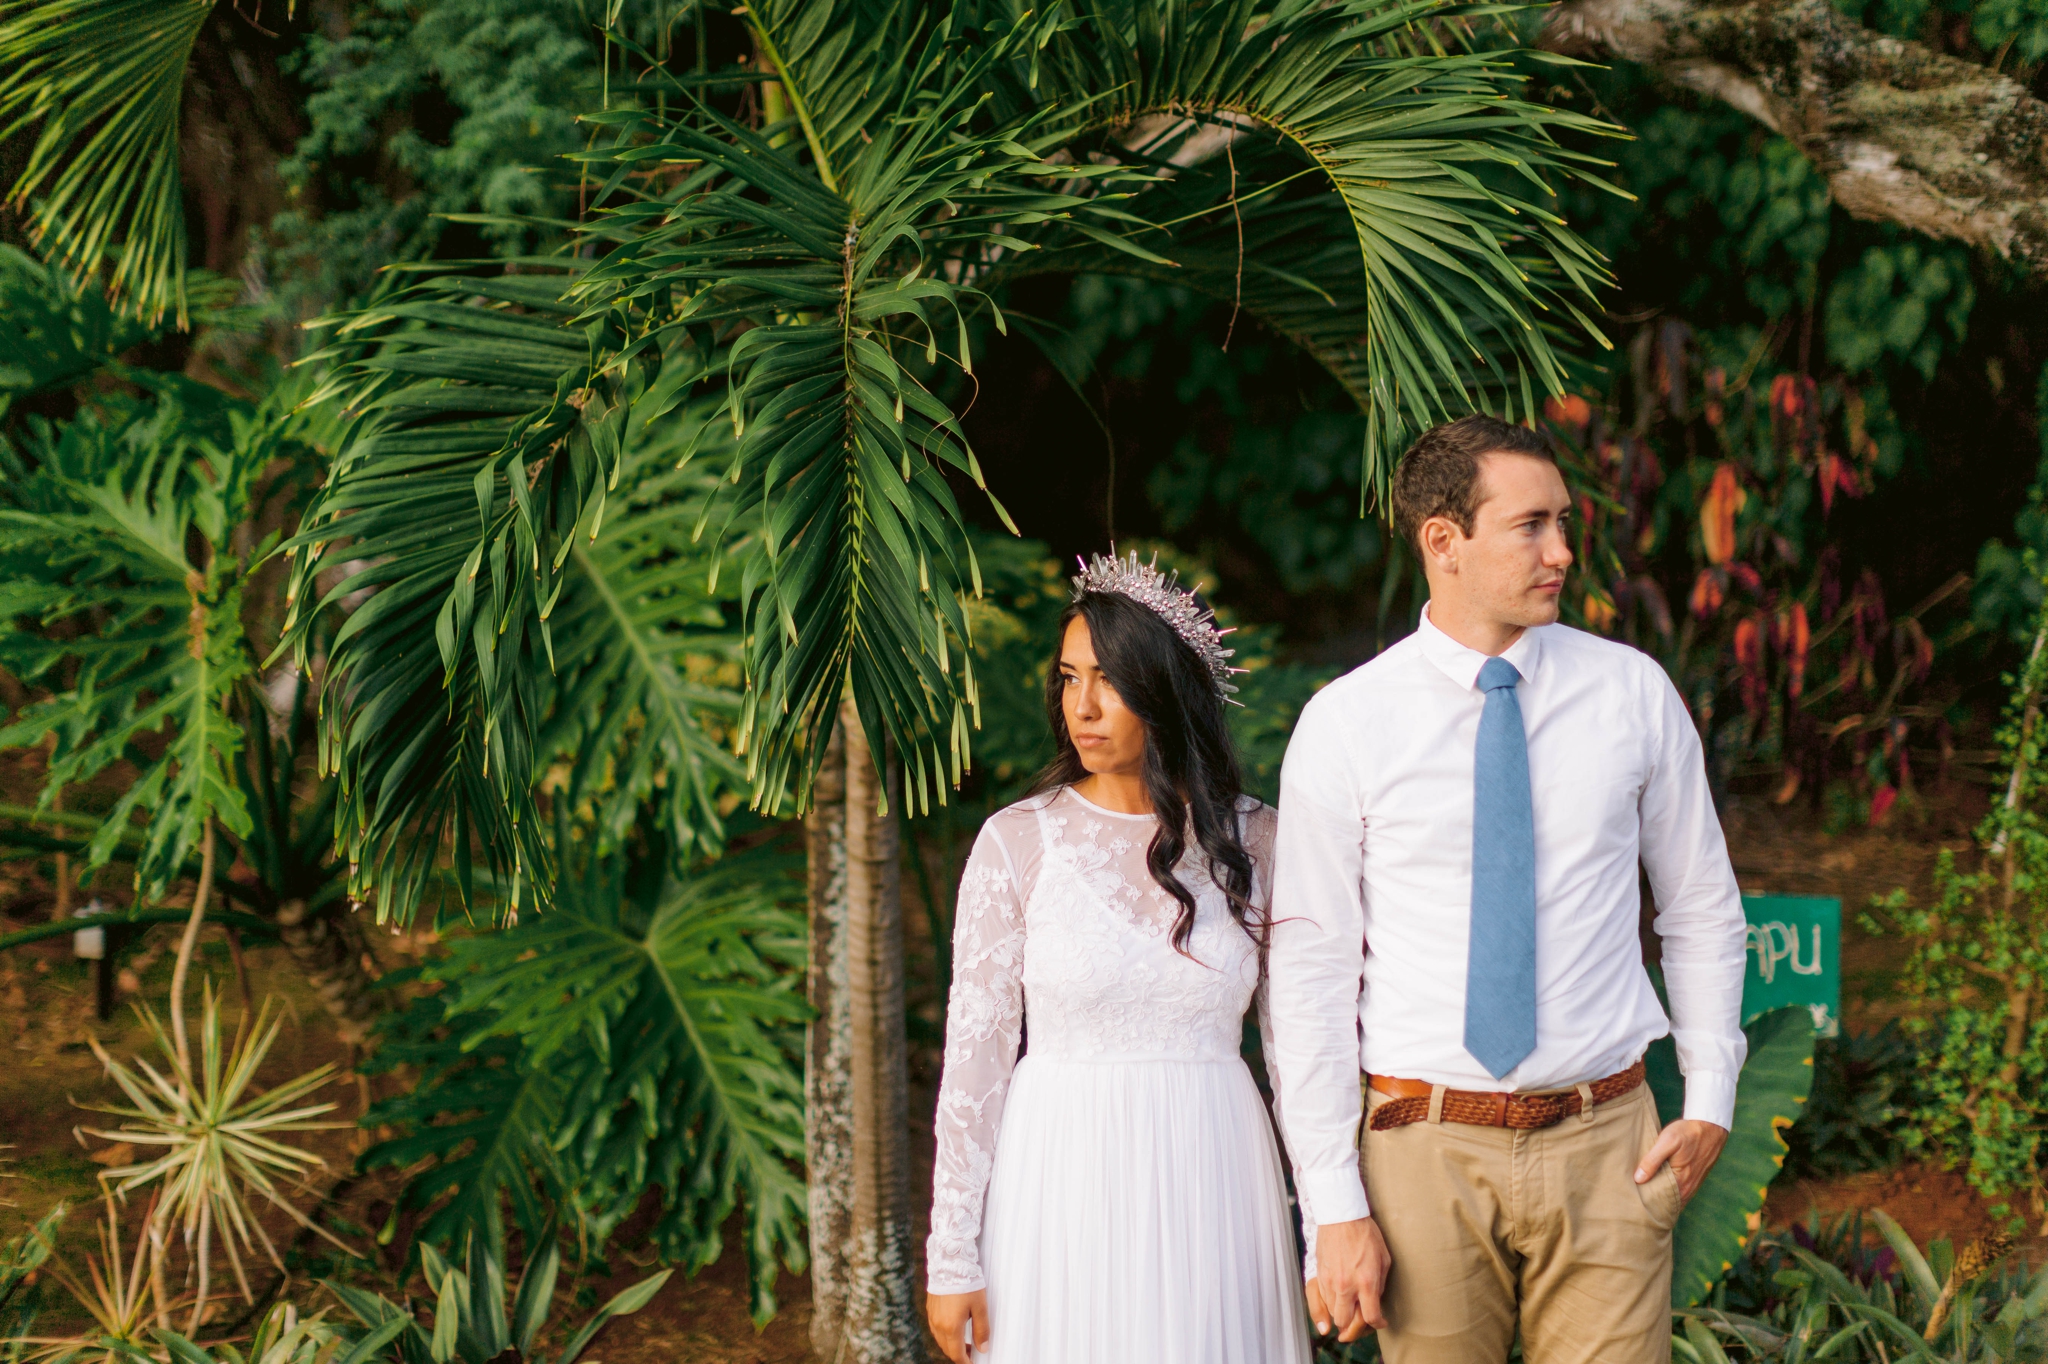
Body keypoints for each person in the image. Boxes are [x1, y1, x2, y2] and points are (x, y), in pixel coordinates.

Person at [1267, 414, 1749, 1363]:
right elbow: (1310, 977)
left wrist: (1711, 1095)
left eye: (1563, 523)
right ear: (1442, 541)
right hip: (1421, 1146)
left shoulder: (1632, 693)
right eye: (1531, 525)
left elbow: (1699, 906)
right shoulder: (1346, 724)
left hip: (1610, 1140)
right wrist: (1333, 1204)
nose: (1562, 552)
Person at [923, 552, 1312, 1364]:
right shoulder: (1016, 844)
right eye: (1069, 678)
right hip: (1060, 1175)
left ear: (1167, 693)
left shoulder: (1257, 844)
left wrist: (1326, 1218)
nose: (1083, 706)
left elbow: (1299, 1053)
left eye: (1110, 680)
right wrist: (951, 1252)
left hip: (1215, 1170)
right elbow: (975, 1062)